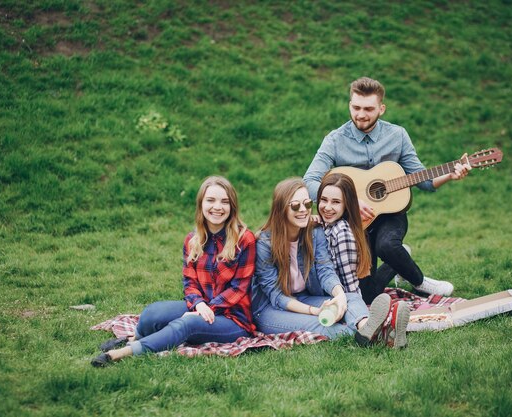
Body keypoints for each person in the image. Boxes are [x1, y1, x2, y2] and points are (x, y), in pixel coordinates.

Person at [303, 76, 471, 298]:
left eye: (368, 109)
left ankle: (419, 281)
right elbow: (310, 180)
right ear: (349, 105)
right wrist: (350, 202)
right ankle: (401, 261)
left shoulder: (397, 135)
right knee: (367, 295)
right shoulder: (334, 140)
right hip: (355, 220)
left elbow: (423, 180)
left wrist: (450, 175)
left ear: (381, 109)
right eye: (356, 107)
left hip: (390, 213)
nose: (361, 114)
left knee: (387, 246)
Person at [91, 176, 256, 366]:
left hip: (233, 318)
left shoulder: (245, 239)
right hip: (202, 307)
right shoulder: (193, 240)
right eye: (211, 200)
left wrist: (206, 310)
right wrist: (199, 305)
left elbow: (239, 288)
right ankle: (133, 338)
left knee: (186, 324)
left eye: (224, 202)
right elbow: (190, 281)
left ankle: (121, 353)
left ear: (232, 207)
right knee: (152, 313)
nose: (217, 207)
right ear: (201, 204)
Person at [252, 177, 408, 348]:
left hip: (306, 297)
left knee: (352, 298)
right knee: (324, 324)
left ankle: (367, 327)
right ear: (281, 209)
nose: (303, 210)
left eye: (307, 204)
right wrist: (314, 311)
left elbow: (325, 270)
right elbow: (277, 296)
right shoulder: (265, 243)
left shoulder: (313, 232)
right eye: (296, 206)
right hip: (270, 309)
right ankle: (384, 333)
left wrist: (339, 296)